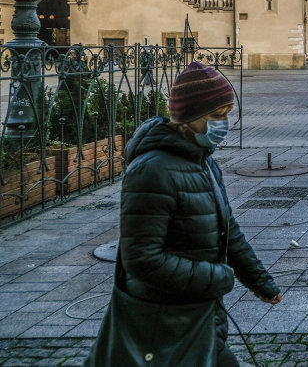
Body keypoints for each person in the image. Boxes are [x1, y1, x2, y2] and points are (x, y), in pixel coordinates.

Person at [87, 62, 281, 366]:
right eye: (217, 116)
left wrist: (260, 282)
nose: (225, 124)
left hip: (196, 311)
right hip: (162, 321)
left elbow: (226, 227)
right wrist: (217, 276)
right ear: (188, 119)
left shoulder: (203, 161)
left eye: (228, 114)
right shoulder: (152, 171)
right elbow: (141, 258)